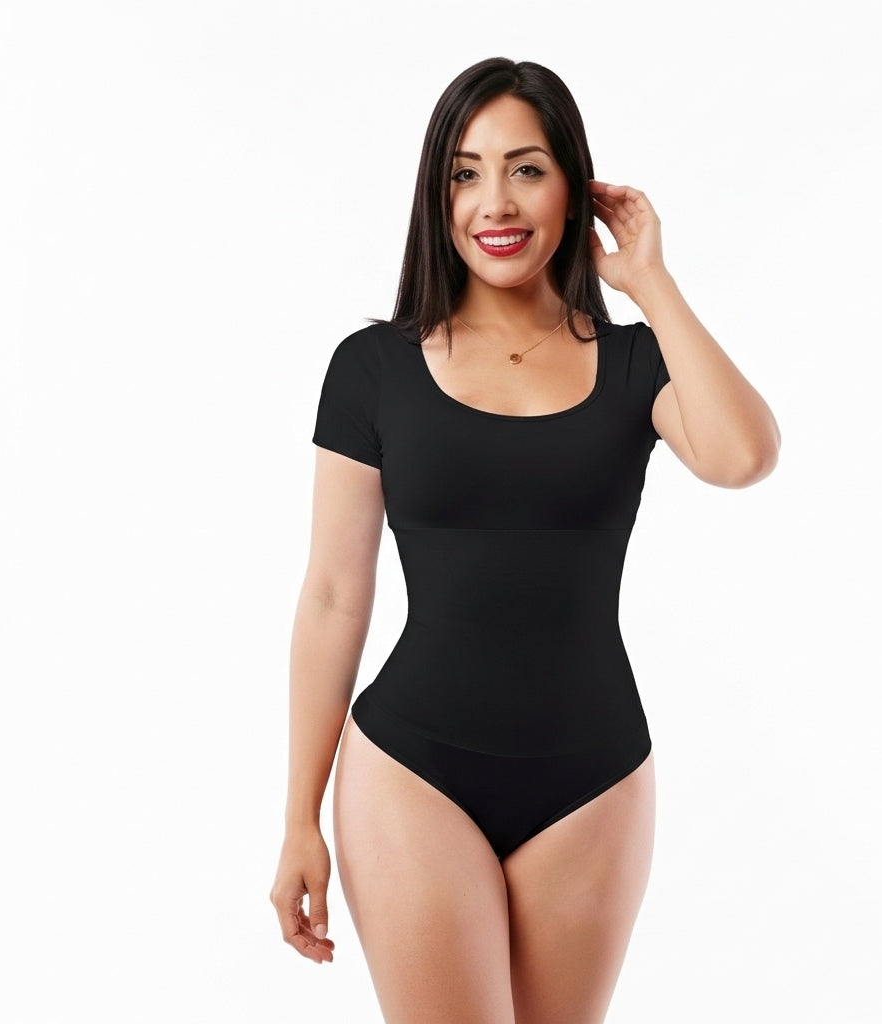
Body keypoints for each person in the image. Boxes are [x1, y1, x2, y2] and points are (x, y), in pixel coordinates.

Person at [270, 56, 781, 1023]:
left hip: (595, 780)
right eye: (465, 173)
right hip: (412, 768)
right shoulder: (373, 368)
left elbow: (743, 455)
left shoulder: (633, 362)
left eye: (526, 169)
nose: (494, 202)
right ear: (437, 195)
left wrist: (651, 283)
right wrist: (300, 817)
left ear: (574, 186)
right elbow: (334, 594)